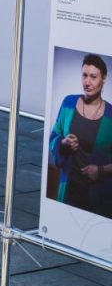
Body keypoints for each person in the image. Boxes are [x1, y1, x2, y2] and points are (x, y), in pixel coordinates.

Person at [49, 54, 112, 216]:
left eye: (93, 77)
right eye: (84, 75)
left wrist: (100, 170)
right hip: (68, 189)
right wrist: (63, 143)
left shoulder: (111, 115)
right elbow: (54, 135)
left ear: (103, 79)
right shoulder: (69, 102)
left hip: (99, 197)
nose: (87, 82)